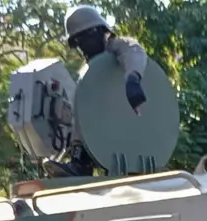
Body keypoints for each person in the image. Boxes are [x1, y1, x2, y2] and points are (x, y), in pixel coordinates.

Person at [48, 5, 149, 177]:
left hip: (130, 136)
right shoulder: (88, 74)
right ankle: (80, 162)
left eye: (84, 38)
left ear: (99, 32)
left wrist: (133, 79)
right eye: (77, 42)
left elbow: (133, 50)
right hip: (105, 138)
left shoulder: (116, 48)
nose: (82, 46)